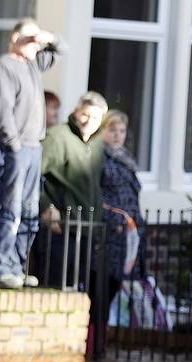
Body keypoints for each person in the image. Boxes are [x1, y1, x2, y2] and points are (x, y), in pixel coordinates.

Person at [0, 18, 64, 289]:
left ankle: (16, 267)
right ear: (14, 38)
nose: (34, 43)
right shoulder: (5, 66)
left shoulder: (32, 65)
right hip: (13, 149)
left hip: (33, 147)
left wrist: (46, 36)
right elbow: (2, 110)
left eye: (35, 39)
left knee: (30, 211)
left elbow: (61, 49)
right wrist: (14, 144)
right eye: (28, 38)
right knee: (9, 209)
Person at [37, 91, 108, 286]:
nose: (88, 121)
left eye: (95, 117)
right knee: (54, 288)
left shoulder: (98, 144)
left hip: (88, 229)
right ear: (76, 112)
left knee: (78, 292)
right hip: (61, 229)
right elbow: (32, 174)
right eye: (85, 115)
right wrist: (46, 206)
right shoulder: (58, 137)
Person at [96, 110, 150, 350]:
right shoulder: (99, 158)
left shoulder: (126, 160)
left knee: (115, 288)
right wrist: (114, 219)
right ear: (103, 131)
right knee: (102, 289)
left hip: (129, 235)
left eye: (121, 131)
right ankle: (95, 342)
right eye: (112, 130)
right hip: (110, 234)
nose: (117, 135)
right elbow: (96, 196)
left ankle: (102, 339)